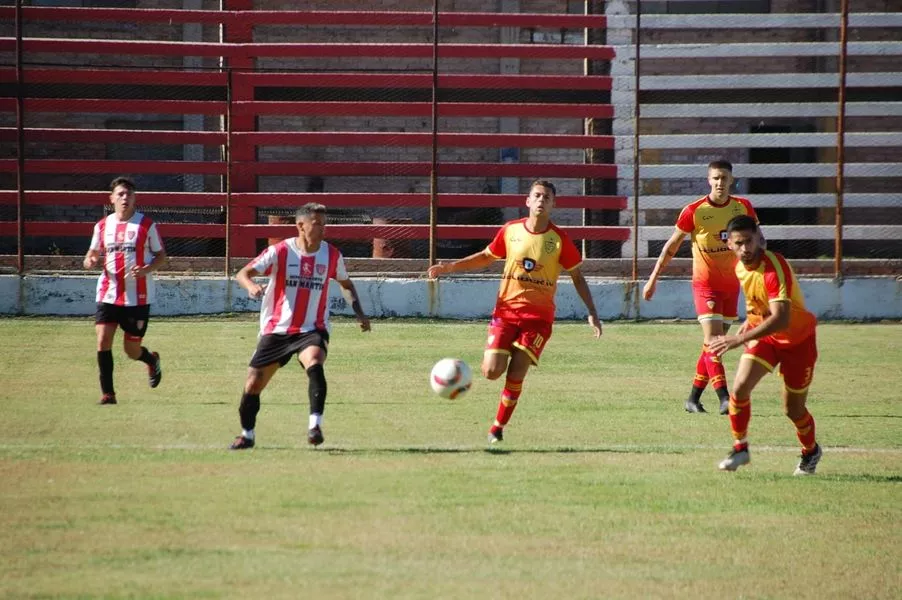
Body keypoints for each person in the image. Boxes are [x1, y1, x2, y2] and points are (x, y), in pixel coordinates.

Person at [427, 180, 602, 445]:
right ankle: (464, 374)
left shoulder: (559, 240)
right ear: (528, 201)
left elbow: (577, 276)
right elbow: (486, 257)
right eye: (537, 195)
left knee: (517, 372)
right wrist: (449, 267)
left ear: (554, 204)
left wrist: (592, 311)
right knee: (491, 372)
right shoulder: (511, 231)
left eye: (547, 197)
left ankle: (497, 427)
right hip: (506, 313)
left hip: (539, 320)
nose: (541, 200)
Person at [229, 202, 371, 450]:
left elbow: (346, 284)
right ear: (300, 226)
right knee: (252, 384)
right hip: (277, 329)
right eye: (317, 223)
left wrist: (359, 312)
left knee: (314, 362)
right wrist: (251, 286)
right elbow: (243, 273)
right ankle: (247, 434)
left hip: (312, 328)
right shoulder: (280, 251)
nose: (322, 228)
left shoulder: (331, 255)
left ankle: (314, 425)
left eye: (325, 224)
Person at [708, 215, 822, 475]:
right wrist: (748, 324)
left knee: (793, 410)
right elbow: (758, 306)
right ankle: (740, 448)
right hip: (768, 338)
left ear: (759, 238)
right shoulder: (739, 268)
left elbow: (781, 317)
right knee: (739, 388)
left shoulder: (774, 266)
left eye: (749, 241)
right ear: (730, 244)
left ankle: (811, 451)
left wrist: (738, 339)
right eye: (739, 243)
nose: (746, 249)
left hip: (798, 341)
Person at [642, 160, 758, 415]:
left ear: (731, 180)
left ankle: (693, 399)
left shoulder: (743, 208)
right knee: (714, 341)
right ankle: (725, 398)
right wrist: (653, 279)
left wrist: (760, 274)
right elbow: (671, 246)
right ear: (709, 180)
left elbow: (756, 243)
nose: (720, 183)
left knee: (712, 347)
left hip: (731, 286)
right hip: (705, 286)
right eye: (716, 178)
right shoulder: (694, 210)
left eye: (724, 178)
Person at [82, 176, 167, 405]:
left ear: (135, 198)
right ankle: (108, 394)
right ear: (112, 199)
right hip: (108, 292)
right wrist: (90, 260)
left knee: (131, 350)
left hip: (137, 296)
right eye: (120, 194)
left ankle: (150, 360)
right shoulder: (102, 226)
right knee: (102, 341)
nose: (125, 198)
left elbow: (162, 257)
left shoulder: (146, 225)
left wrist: (147, 269)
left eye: (129, 194)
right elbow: (92, 253)